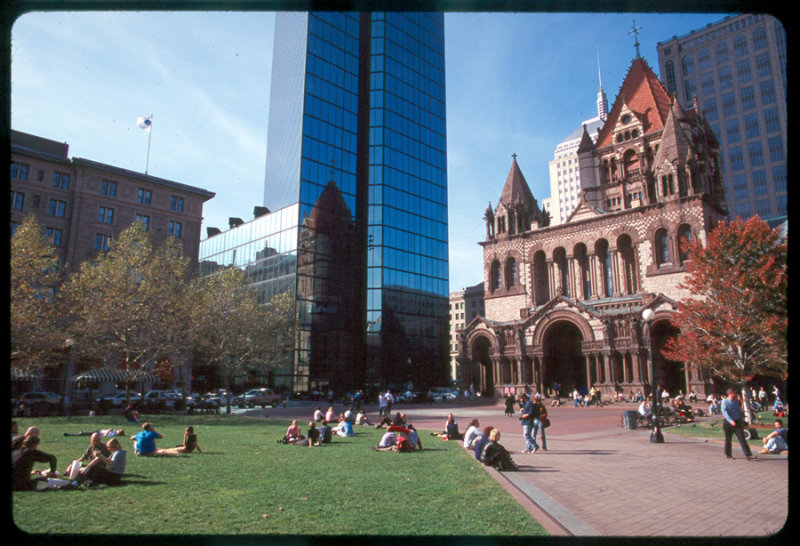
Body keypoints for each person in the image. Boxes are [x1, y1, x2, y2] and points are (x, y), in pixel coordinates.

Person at [721, 388, 755, 460]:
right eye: (735, 393)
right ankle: (728, 454)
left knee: (742, 438)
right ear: (731, 394)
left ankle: (748, 455)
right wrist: (730, 421)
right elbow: (724, 412)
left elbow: (738, 411)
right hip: (728, 422)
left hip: (737, 422)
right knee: (728, 439)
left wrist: (742, 421)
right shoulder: (725, 401)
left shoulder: (736, 401)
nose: (736, 395)